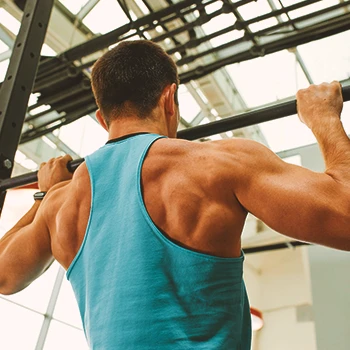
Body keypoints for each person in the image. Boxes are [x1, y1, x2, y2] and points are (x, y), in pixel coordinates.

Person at [0, 40, 349, 349]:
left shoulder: (61, 204)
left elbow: (4, 276)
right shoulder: (217, 164)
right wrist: (323, 119)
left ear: (102, 119)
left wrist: (45, 196)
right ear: (170, 99)